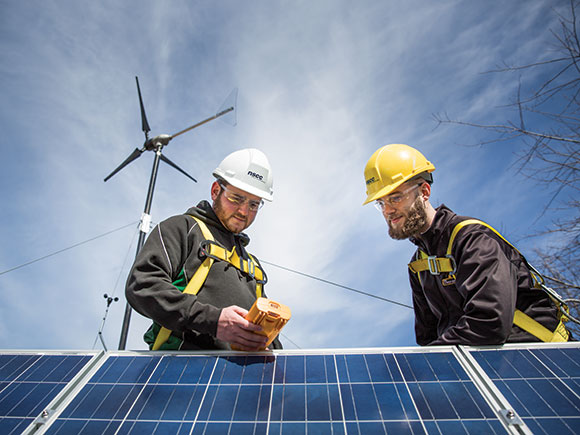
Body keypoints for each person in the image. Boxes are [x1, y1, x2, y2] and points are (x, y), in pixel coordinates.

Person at [362, 143, 570, 345]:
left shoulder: (471, 238)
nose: (388, 211)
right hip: (488, 368)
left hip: (544, 361)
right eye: (381, 203)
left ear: (424, 192)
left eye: (395, 198)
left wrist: (436, 362)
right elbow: (428, 338)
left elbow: (489, 320)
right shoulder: (418, 266)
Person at [126, 148, 282, 351]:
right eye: (236, 198)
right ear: (215, 191)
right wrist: (213, 320)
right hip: (181, 372)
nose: (244, 211)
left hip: (243, 378)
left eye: (254, 204)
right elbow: (142, 285)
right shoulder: (182, 229)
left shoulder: (252, 265)